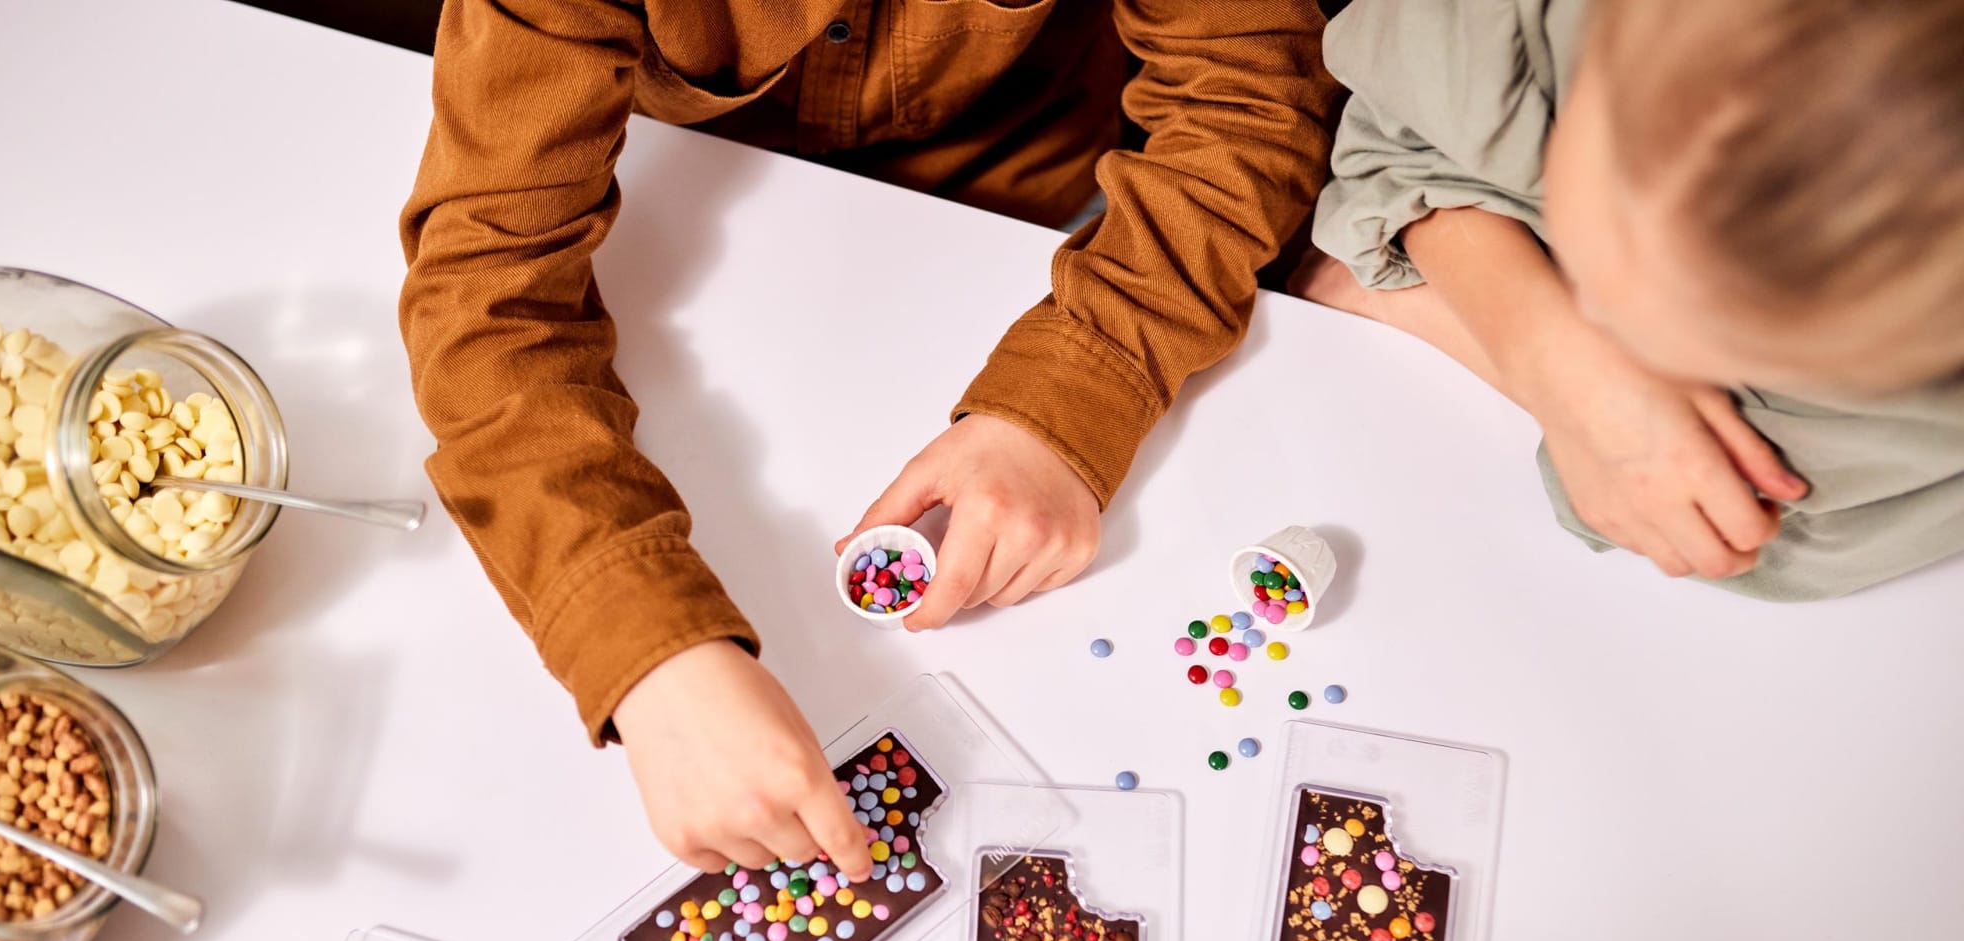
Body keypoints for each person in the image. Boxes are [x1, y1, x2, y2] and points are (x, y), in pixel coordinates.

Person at [398, 1, 1336, 878]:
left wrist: (1072, 393)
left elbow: (1247, 100)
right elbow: (486, 288)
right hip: (704, 204)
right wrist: (645, 653)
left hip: (1027, 208)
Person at [1294, 0, 1964, 595]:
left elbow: (1741, 534)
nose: (1602, 318)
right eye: (1594, 236)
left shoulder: (1911, 437)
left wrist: (1568, 383)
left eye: (1674, 342)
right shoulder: (1546, 29)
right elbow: (1396, 129)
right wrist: (1552, 359)